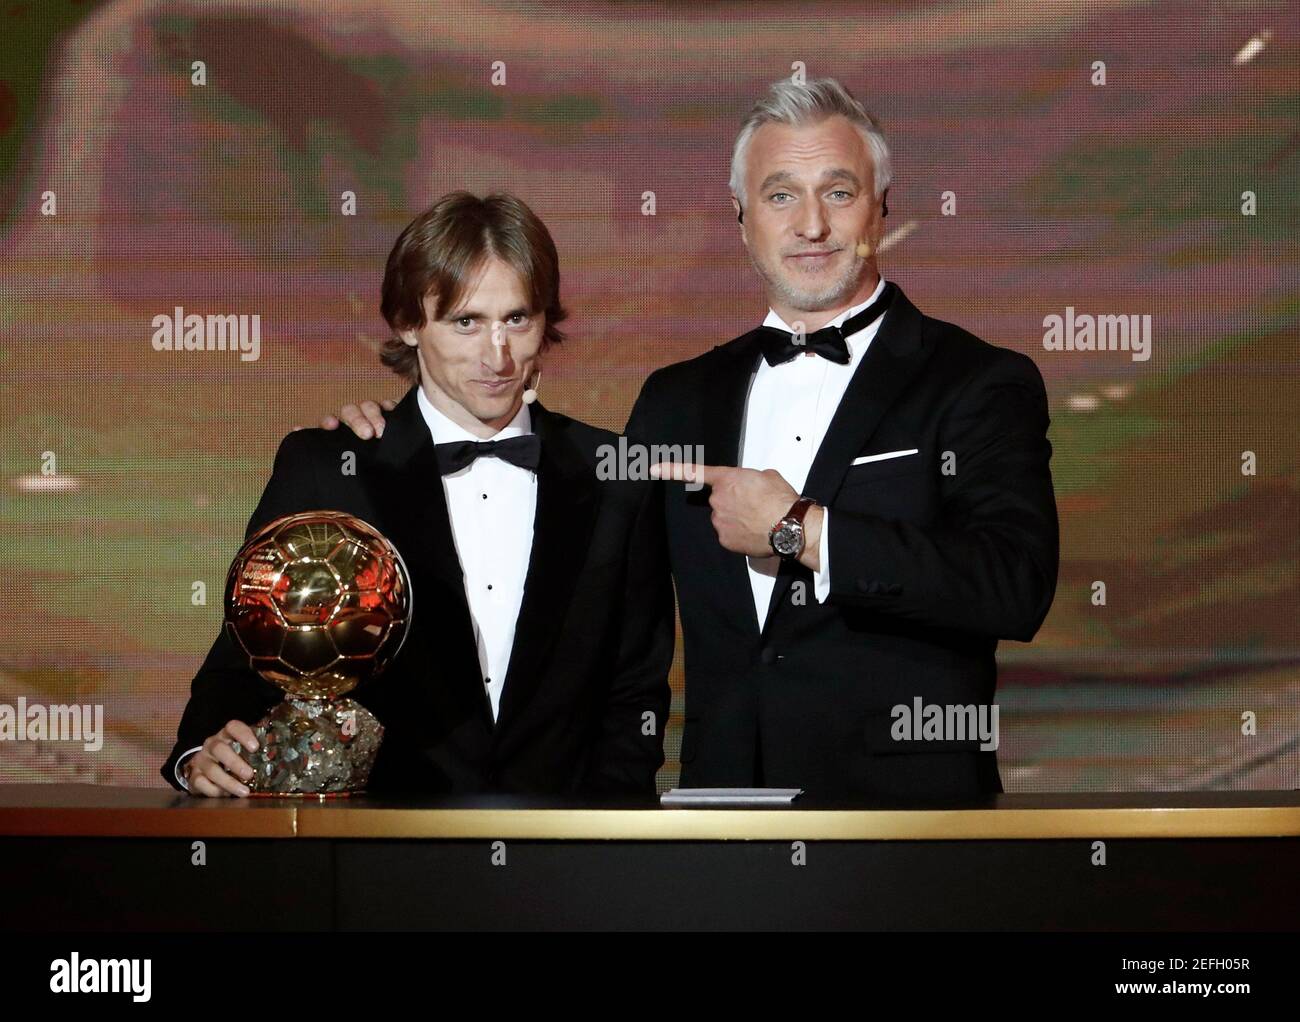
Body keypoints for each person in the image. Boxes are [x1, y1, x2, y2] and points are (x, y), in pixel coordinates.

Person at [327, 79, 1059, 800]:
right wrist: (399, 435)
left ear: (881, 208)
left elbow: (1014, 586)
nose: (811, 225)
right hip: (719, 818)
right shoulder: (676, 401)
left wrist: (799, 528)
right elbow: (597, 602)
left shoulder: (976, 381)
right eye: (780, 195)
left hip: (910, 825)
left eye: (838, 192)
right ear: (741, 217)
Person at [162, 192, 674, 797]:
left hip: (563, 853)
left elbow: (634, 690)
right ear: (408, 322)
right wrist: (201, 750)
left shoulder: (615, 475)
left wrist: (604, 843)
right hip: (376, 849)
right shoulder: (332, 469)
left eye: (517, 318)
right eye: (466, 322)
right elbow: (249, 648)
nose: (498, 355)